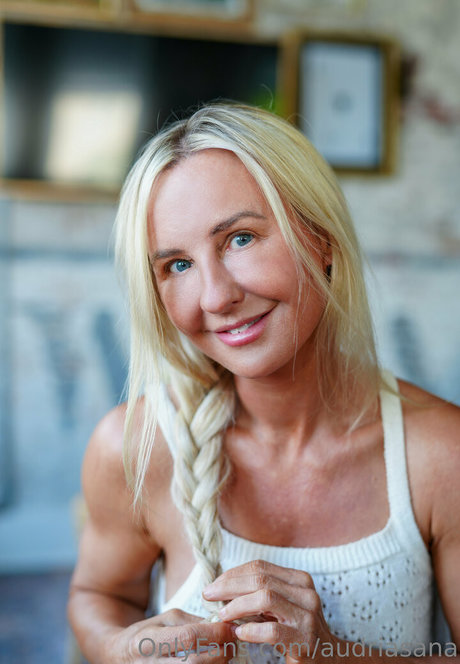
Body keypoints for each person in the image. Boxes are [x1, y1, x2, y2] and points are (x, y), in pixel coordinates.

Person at [68, 103, 460, 664]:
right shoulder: (133, 445)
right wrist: (121, 648)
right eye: (178, 265)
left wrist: (332, 654)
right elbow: (98, 596)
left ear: (321, 238)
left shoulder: (442, 453)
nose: (215, 297)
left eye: (241, 239)